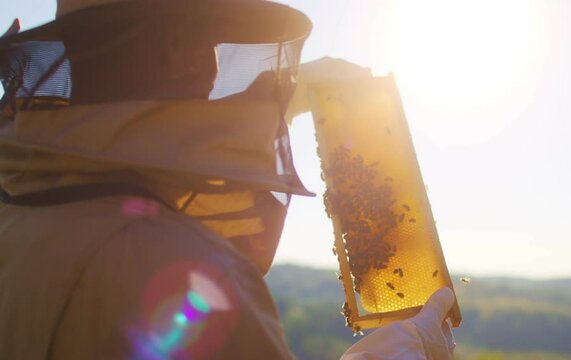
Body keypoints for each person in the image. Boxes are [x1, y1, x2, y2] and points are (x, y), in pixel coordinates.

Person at [0, 0, 455, 358]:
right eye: (211, 40)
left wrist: (297, 94)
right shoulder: (178, 269)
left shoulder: (18, 215)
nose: (216, 69)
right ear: (177, 49)